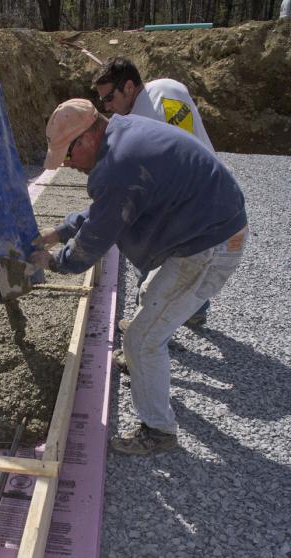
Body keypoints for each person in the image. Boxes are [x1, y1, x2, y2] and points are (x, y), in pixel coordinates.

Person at [31, 99, 248, 455]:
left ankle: (158, 431)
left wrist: (55, 262)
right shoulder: (122, 137)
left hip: (210, 245)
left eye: (68, 157)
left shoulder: (119, 164)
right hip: (205, 229)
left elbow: (96, 239)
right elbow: (108, 208)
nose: (69, 166)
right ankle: (144, 365)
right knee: (151, 296)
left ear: (85, 140)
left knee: (142, 340)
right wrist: (60, 230)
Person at [93, 57, 214, 327]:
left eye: (110, 98)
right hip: (209, 188)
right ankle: (195, 310)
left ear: (128, 87)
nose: (108, 107)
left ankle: (143, 328)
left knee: (147, 252)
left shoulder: (141, 123)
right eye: (103, 102)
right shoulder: (169, 86)